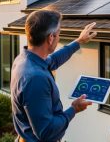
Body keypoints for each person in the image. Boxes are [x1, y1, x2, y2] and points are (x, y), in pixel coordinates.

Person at [10, 10, 97, 142]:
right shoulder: (35, 78)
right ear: (50, 38)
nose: (59, 37)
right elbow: (46, 132)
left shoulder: (24, 59)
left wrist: (78, 41)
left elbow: (53, 60)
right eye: (58, 34)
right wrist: (74, 109)